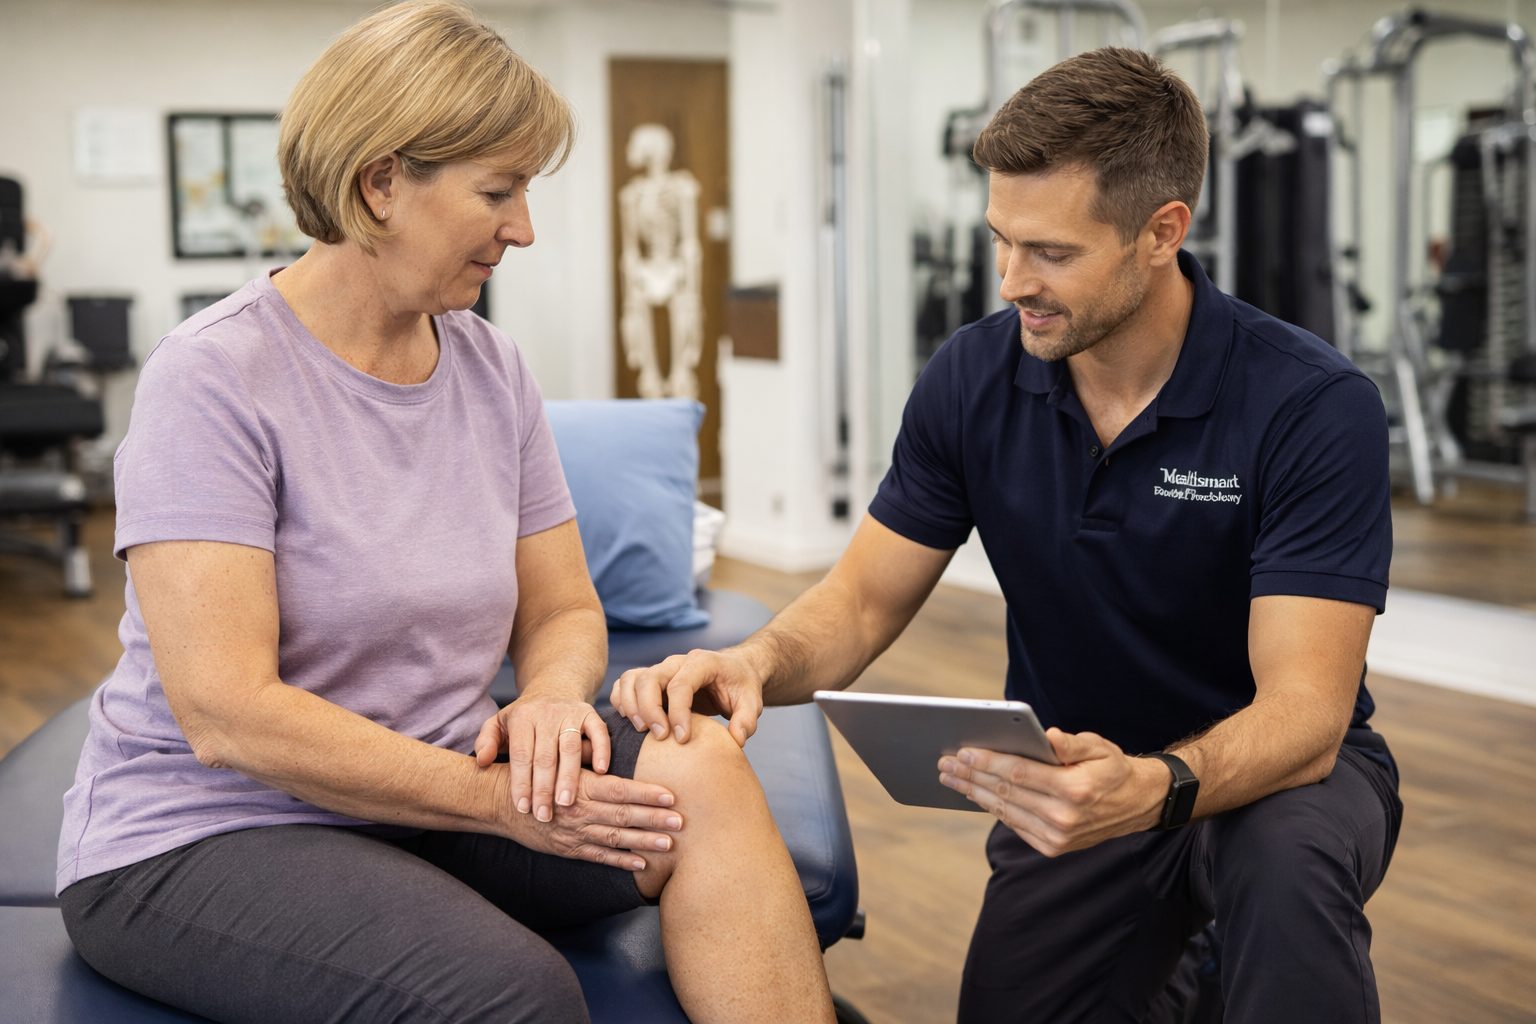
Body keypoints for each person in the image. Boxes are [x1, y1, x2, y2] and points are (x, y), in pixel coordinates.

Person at [55, 4, 833, 1022]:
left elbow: (561, 610)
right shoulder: (213, 378)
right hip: (209, 830)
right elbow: (226, 712)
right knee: (510, 992)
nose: (524, 228)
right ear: (382, 185)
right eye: (498, 192)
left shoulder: (488, 365)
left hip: (435, 792)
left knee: (703, 768)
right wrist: (495, 801)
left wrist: (553, 698)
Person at [614, 46, 1402, 1023]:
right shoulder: (972, 378)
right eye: (1001, 239)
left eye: (1051, 253)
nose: (1009, 280)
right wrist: (754, 660)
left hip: (1275, 777)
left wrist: (1156, 784)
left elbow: (1306, 713)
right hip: (1069, 780)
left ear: (1162, 233)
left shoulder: (1311, 404)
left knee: (1286, 880)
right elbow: (861, 600)